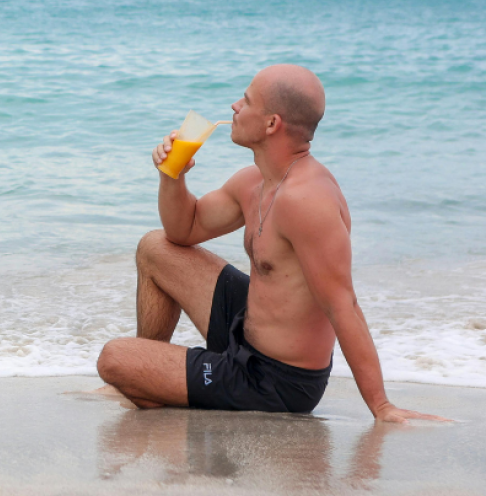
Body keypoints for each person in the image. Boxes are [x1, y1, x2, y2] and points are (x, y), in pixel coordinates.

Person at [96, 65, 447, 423]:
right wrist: (173, 176)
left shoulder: (307, 201)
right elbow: (183, 230)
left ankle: (150, 379)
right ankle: (153, 373)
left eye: (246, 101)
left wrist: (382, 406)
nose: (234, 105)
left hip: (275, 379)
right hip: (247, 328)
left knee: (114, 358)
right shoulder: (255, 181)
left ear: (271, 124)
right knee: (155, 248)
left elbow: (344, 305)